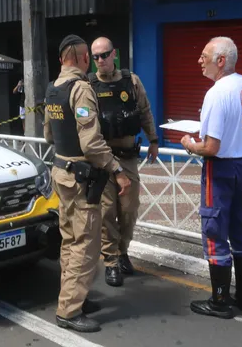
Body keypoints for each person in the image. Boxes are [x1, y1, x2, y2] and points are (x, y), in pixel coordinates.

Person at [44, 34, 131, 333]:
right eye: (89, 58)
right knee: (85, 245)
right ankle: (68, 311)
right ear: (82, 58)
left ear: (60, 59)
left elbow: (48, 136)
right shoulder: (80, 89)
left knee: (69, 241)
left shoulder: (52, 89)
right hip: (81, 179)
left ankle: (73, 299)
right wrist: (117, 168)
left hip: (61, 174)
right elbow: (92, 143)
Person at [180, 36, 242, 319]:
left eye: (204, 56)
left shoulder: (216, 92)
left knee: (214, 231)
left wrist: (190, 145)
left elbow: (211, 147)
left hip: (220, 170)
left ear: (220, 61)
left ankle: (219, 301)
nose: (199, 60)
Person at [87, 37, 159, 287]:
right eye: (95, 57)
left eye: (104, 55)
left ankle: (122, 250)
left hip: (128, 157)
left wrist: (153, 139)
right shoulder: (89, 85)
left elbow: (146, 110)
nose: (100, 61)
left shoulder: (132, 80)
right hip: (103, 158)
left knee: (129, 209)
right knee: (107, 211)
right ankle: (111, 261)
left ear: (114, 54)